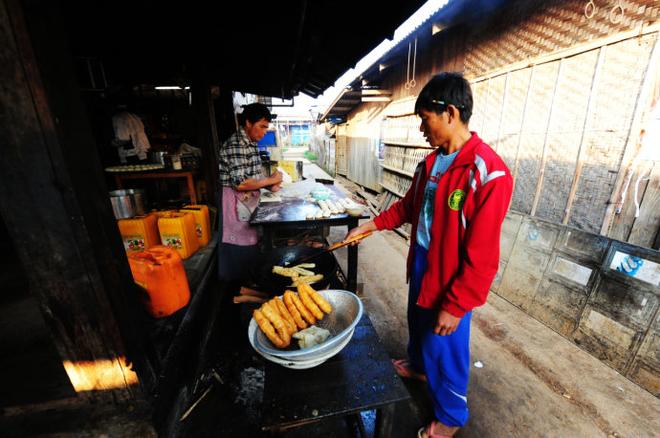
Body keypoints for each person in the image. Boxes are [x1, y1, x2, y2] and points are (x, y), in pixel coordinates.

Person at [346, 72, 513, 437]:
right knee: (420, 323)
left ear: (450, 113)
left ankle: (450, 416)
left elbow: (482, 256)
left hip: (452, 275)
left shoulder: (488, 173)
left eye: (426, 119)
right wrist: (369, 226)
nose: (422, 129)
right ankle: (420, 366)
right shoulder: (431, 164)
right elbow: (407, 208)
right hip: (422, 260)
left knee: (446, 342)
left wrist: (457, 304)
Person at [217, 103, 283, 286]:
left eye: (266, 128)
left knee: (251, 241)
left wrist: (270, 185)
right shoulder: (236, 144)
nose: (264, 132)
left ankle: (250, 279)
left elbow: (253, 176)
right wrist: (270, 181)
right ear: (248, 122)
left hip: (248, 200)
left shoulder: (251, 143)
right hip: (234, 201)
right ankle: (236, 288)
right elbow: (240, 183)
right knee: (237, 244)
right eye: (261, 126)